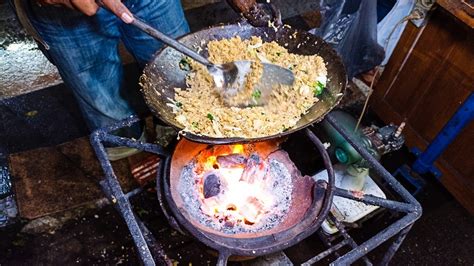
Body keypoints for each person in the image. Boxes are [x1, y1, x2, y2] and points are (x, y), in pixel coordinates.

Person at [12, 0, 259, 160]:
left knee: (181, 73)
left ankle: (178, 136)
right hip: (64, 11)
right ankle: (130, 148)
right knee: (102, 96)